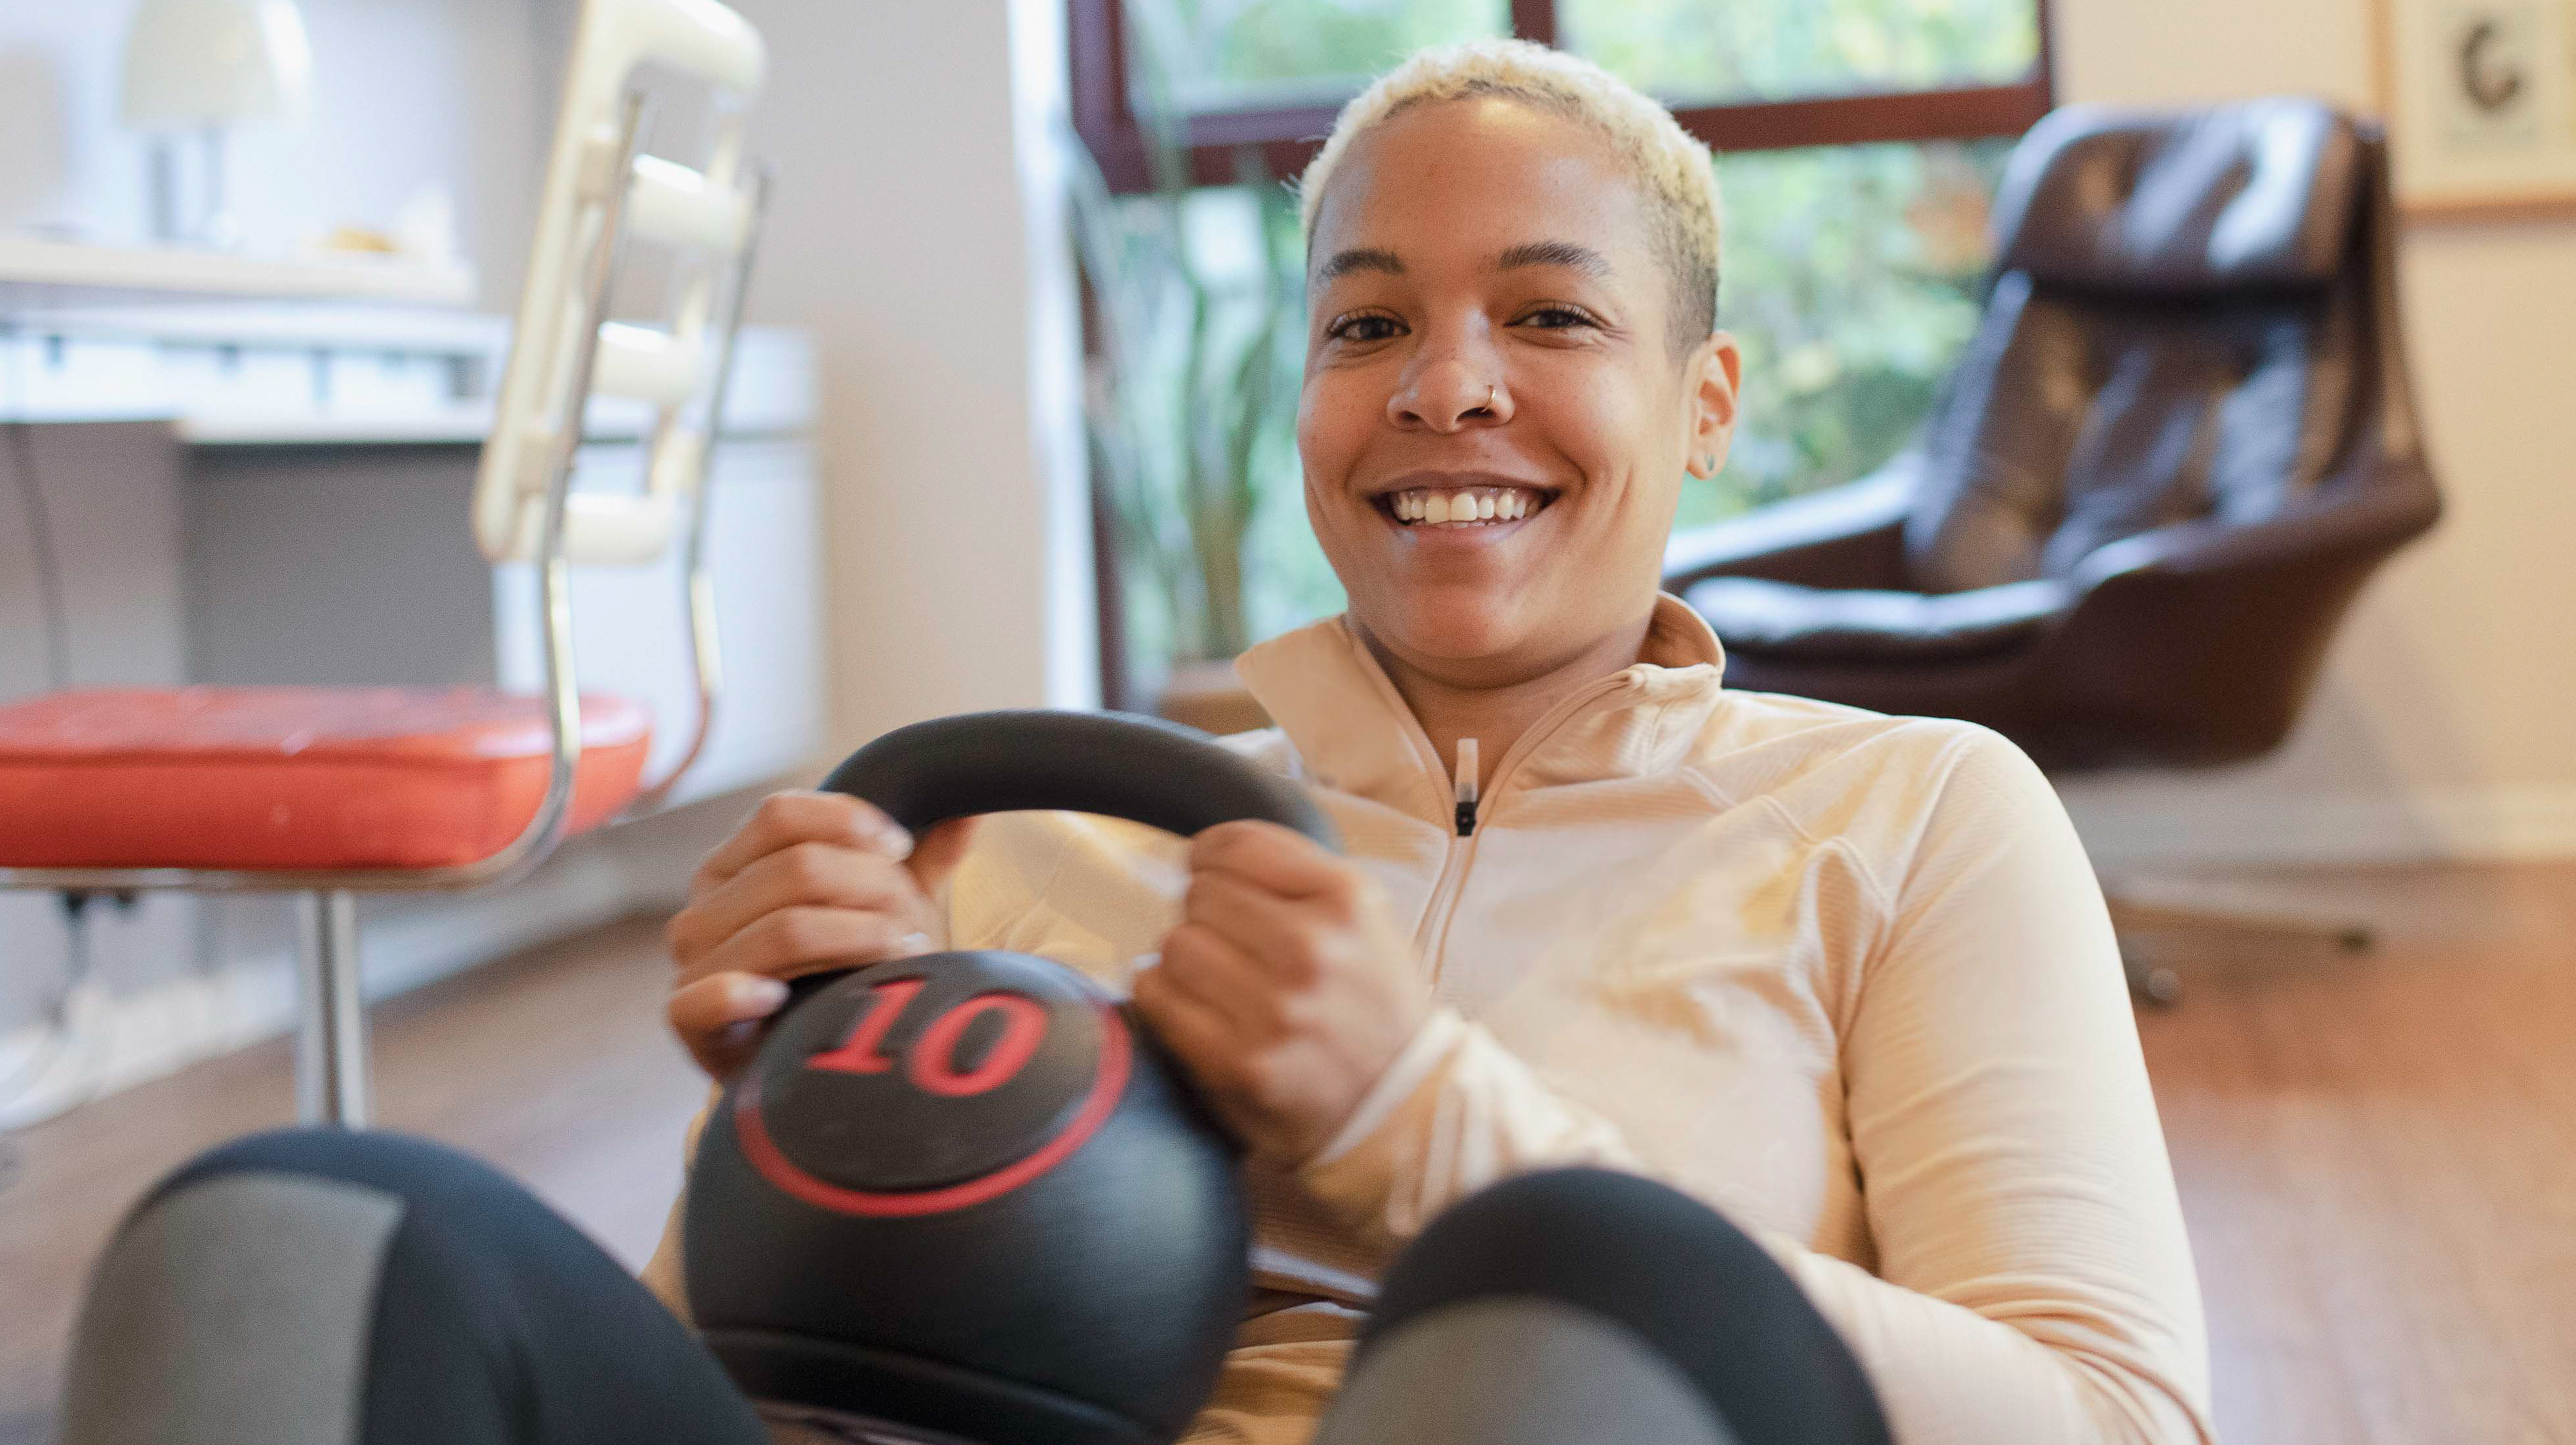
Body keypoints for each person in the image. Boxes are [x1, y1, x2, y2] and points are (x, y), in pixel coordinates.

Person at [56, 37, 2211, 1445]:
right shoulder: (1039, 833)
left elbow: (2114, 1419)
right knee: (284, 1226)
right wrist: (805, 1127)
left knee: (1582, 1295)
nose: (1444, 385)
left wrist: (1417, 1115)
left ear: (1710, 401)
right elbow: (731, 1370)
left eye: (1550, 316)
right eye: (1368, 321)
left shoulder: (1912, 814)